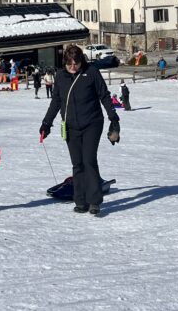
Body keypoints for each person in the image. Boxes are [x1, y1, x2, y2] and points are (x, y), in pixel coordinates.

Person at [40, 45, 120, 216]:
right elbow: (56, 102)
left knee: (88, 160)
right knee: (77, 163)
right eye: (69, 64)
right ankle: (80, 200)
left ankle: (94, 201)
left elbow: (104, 95)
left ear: (81, 61)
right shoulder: (61, 76)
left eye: (76, 63)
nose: (73, 67)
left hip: (92, 123)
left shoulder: (91, 72)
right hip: (70, 126)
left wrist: (113, 118)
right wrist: (46, 124)